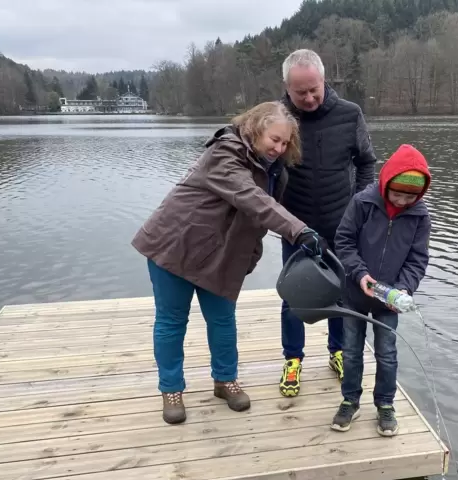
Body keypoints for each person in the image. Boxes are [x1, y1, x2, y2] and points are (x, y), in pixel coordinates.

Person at [131, 101, 329, 425]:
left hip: (219, 256)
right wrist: (299, 229)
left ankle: (225, 380)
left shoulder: (275, 172)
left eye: (284, 142)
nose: (278, 148)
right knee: (171, 322)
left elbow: (258, 221)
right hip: (174, 246)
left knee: (223, 322)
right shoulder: (225, 153)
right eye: (274, 139)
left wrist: (250, 258)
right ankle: (171, 389)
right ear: (255, 129)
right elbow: (252, 199)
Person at [278, 48, 377, 398]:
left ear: (324, 81)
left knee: (340, 291)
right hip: (295, 225)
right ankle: (292, 360)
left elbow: (367, 162)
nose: (308, 98)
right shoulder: (278, 119)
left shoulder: (350, 114)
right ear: (287, 88)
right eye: (299, 92)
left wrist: (359, 207)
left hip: (341, 223)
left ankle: (336, 351)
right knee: (295, 296)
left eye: (314, 89)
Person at [331, 144, 432, 437]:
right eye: (397, 193)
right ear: (386, 184)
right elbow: (344, 241)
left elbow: (418, 259)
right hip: (353, 293)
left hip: (388, 301)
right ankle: (350, 399)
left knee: (387, 354)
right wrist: (360, 274)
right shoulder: (362, 203)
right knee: (351, 352)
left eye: (410, 197)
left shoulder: (419, 217)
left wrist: (403, 289)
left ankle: (385, 404)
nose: (402, 201)